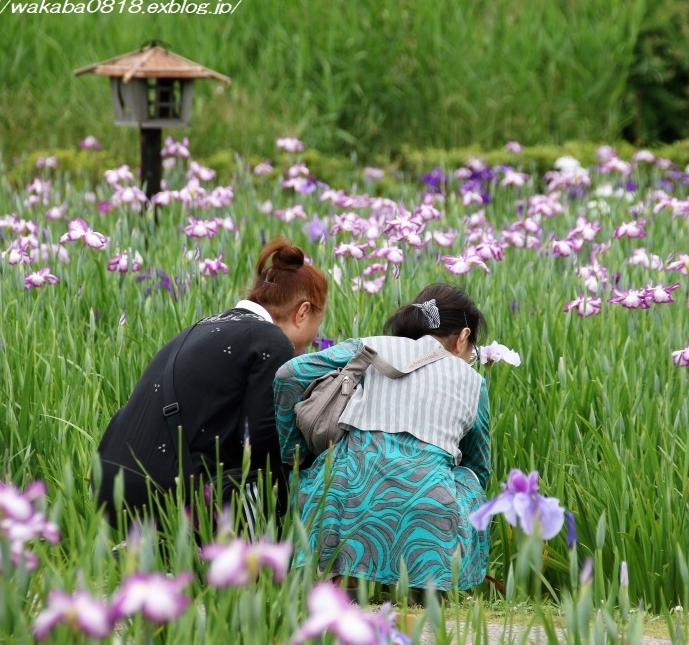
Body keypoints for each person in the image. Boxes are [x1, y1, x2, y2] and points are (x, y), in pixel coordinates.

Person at [94, 237, 327, 532]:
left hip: (111, 484)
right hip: (163, 494)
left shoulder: (206, 326)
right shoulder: (271, 340)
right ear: (303, 312)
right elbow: (260, 444)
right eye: (318, 321)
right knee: (270, 478)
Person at [274, 283, 491, 594]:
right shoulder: (474, 383)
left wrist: (294, 454)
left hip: (343, 503)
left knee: (333, 466)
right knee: (467, 480)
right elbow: (479, 468)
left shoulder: (370, 347)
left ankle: (341, 572)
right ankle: (432, 579)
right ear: (464, 336)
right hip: (428, 522)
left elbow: (288, 375)